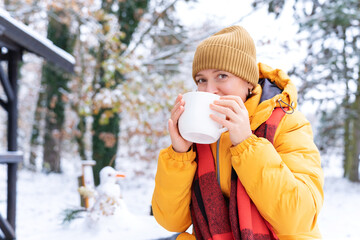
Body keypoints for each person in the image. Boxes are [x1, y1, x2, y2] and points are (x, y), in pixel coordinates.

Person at [151, 25, 324, 240]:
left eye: (222, 76)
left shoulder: (287, 123)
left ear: (248, 82)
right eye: (201, 80)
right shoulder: (199, 135)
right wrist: (179, 155)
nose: (209, 90)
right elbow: (171, 221)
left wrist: (246, 144)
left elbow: (299, 218)